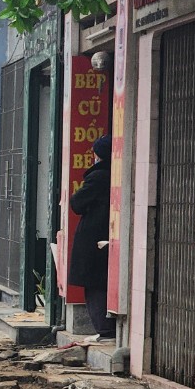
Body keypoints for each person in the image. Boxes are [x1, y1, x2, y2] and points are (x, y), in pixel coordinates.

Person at [69, 135, 116, 341]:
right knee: (101, 282)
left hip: (95, 239)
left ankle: (104, 330)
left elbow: (77, 203)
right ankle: (106, 327)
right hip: (106, 236)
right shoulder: (112, 175)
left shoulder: (98, 177)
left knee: (94, 284)